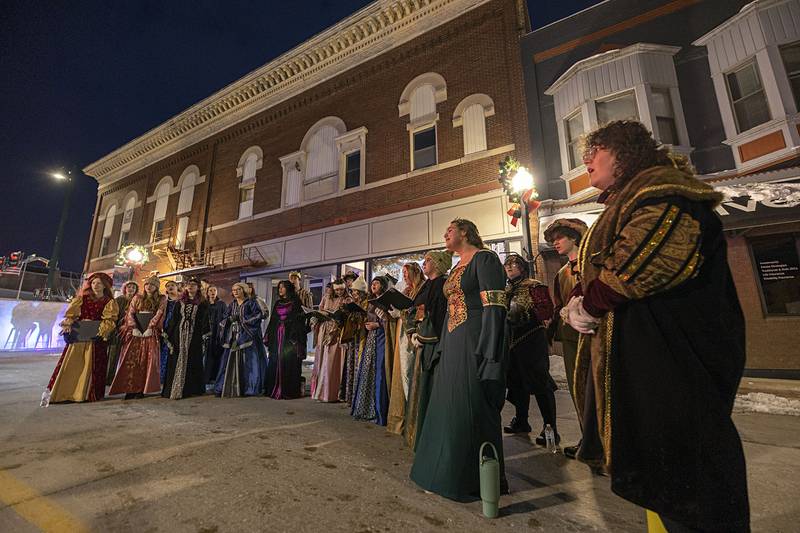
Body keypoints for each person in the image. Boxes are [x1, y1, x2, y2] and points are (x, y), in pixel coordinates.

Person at [564, 120, 749, 532]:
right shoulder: (634, 197)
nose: (587, 160)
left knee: (689, 490)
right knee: (663, 486)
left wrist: (589, 304)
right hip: (648, 366)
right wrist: (580, 300)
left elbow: (639, 263)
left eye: (597, 149)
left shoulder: (665, 194)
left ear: (624, 153)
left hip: (673, 366)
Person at [410, 219, 507, 501]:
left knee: (470, 402)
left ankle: (469, 479)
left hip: (474, 338)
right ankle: (440, 472)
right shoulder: (455, 267)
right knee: (448, 404)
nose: (445, 234)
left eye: (450, 230)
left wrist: (490, 351)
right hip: (452, 339)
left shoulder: (485, 259)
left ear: (465, 232)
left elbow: (495, 307)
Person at [544, 218, 588, 460]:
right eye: (552, 240)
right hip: (571, 337)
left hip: (593, 335)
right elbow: (558, 304)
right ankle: (587, 437)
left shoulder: (591, 264)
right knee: (576, 388)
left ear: (574, 237)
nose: (555, 243)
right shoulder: (562, 274)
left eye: (559, 238)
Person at [502, 253, 557, 444]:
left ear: (523, 267)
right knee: (516, 383)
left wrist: (532, 315)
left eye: (514, 264)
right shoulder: (506, 290)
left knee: (540, 383)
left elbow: (546, 310)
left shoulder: (534, 285)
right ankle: (521, 420)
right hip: (512, 341)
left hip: (532, 339)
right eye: (507, 264)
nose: (510, 267)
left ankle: (550, 428)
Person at [44, 272, 119, 404]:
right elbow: (71, 315)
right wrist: (69, 323)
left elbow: (110, 320)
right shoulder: (82, 299)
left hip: (95, 338)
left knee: (92, 365)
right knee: (73, 364)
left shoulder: (109, 302)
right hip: (79, 335)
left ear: (105, 286)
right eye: (93, 283)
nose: (96, 285)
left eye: (99, 283)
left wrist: (102, 331)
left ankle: (84, 394)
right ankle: (66, 393)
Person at [404, 250, 451, 449]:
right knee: (420, 386)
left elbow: (439, 316)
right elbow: (416, 309)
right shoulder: (428, 285)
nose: (424, 264)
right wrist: (413, 330)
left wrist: (423, 333)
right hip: (422, 341)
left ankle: (430, 436)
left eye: (428, 261)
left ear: (438, 264)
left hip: (433, 343)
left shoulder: (442, 284)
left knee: (430, 387)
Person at [109, 275, 166, 399]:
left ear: (156, 287)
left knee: (145, 361)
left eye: (152, 284)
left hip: (149, 334)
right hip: (136, 334)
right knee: (131, 360)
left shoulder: (161, 299)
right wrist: (133, 327)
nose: (149, 286)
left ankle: (141, 389)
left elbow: (160, 313)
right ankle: (129, 389)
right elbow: (130, 313)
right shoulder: (137, 297)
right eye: (147, 284)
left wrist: (151, 327)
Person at [386, 262, 425, 435]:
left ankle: (416, 417)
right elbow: (398, 312)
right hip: (403, 332)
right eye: (403, 273)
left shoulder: (423, 288)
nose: (405, 276)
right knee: (404, 372)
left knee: (412, 371)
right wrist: (392, 308)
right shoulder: (406, 290)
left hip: (416, 333)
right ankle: (407, 416)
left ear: (416, 272)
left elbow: (421, 310)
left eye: (407, 272)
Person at [351, 276, 392, 425]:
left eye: (377, 283)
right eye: (372, 283)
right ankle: (365, 408)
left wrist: (378, 325)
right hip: (370, 338)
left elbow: (391, 320)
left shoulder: (387, 301)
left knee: (380, 372)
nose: (373, 285)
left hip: (381, 338)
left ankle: (379, 412)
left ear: (383, 285)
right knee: (367, 370)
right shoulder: (370, 302)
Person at [214, 282, 267, 397]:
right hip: (233, 336)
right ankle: (226, 386)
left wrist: (242, 320)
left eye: (238, 289)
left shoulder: (251, 303)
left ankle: (249, 388)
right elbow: (224, 318)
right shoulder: (232, 304)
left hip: (247, 337)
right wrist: (229, 320)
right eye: (234, 290)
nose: (235, 292)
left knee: (249, 362)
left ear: (244, 290)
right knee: (227, 361)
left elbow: (258, 316)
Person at [162, 277, 209, 400]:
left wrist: (204, 334)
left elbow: (204, 320)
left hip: (195, 335)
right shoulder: (180, 302)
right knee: (176, 357)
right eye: (189, 284)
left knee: (193, 359)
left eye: (193, 285)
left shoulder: (203, 303)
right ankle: (174, 387)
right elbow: (174, 318)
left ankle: (191, 389)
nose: (191, 286)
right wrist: (168, 333)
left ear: (198, 288)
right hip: (179, 334)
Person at [264, 280, 308, 399]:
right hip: (278, 335)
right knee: (275, 360)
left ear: (288, 288)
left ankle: (288, 390)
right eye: (279, 287)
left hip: (290, 337)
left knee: (288, 361)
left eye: (282, 287)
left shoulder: (296, 302)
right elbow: (273, 320)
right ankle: (274, 388)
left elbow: (300, 319)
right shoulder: (278, 302)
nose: (280, 289)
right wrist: (269, 335)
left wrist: (290, 325)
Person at [311, 278, 347, 402]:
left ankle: (330, 393)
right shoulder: (326, 297)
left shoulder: (346, 299)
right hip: (324, 329)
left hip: (336, 332)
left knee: (332, 361)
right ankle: (319, 392)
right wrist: (319, 315)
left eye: (342, 290)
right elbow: (320, 310)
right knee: (321, 358)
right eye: (337, 290)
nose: (339, 292)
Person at [339, 275, 369, 404]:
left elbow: (367, 318)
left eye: (357, 291)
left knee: (358, 365)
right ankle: (350, 396)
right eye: (353, 291)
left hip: (361, 338)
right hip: (352, 337)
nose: (354, 293)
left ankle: (357, 398)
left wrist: (360, 315)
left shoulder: (367, 303)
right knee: (350, 366)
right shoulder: (353, 303)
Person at [106, 281, 138, 385]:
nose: (131, 289)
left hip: (132, 332)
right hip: (118, 331)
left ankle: (125, 379)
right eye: (129, 287)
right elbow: (112, 315)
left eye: (133, 287)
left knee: (129, 356)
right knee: (113, 355)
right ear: (125, 288)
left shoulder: (137, 300)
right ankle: (109, 378)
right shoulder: (118, 300)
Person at [204, 285, 227, 384]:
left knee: (217, 353)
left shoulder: (221, 304)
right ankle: (206, 377)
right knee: (206, 355)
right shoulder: (204, 304)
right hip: (207, 331)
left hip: (217, 331)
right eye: (210, 290)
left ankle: (215, 377)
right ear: (207, 292)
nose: (212, 292)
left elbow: (225, 316)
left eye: (214, 290)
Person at [159, 280, 180, 384]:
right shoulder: (164, 301)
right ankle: (163, 377)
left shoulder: (182, 300)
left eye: (172, 285)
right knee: (165, 351)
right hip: (166, 328)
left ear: (177, 287)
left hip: (178, 327)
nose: (170, 287)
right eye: (168, 286)